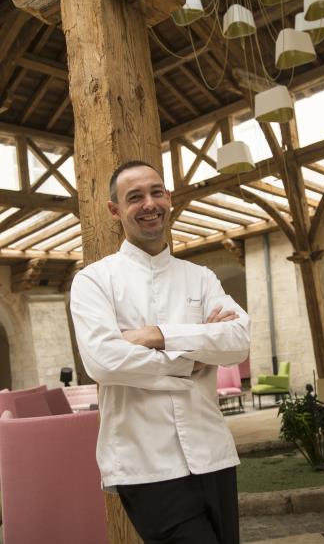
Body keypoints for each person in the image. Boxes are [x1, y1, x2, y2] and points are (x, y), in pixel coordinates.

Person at [70, 160, 250, 544]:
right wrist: (195, 354)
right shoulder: (93, 281)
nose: (149, 204)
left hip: (214, 453)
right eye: (134, 197)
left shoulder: (201, 278)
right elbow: (103, 361)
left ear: (169, 198)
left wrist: (157, 335)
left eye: (156, 192)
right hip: (145, 463)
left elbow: (237, 340)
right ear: (114, 210)